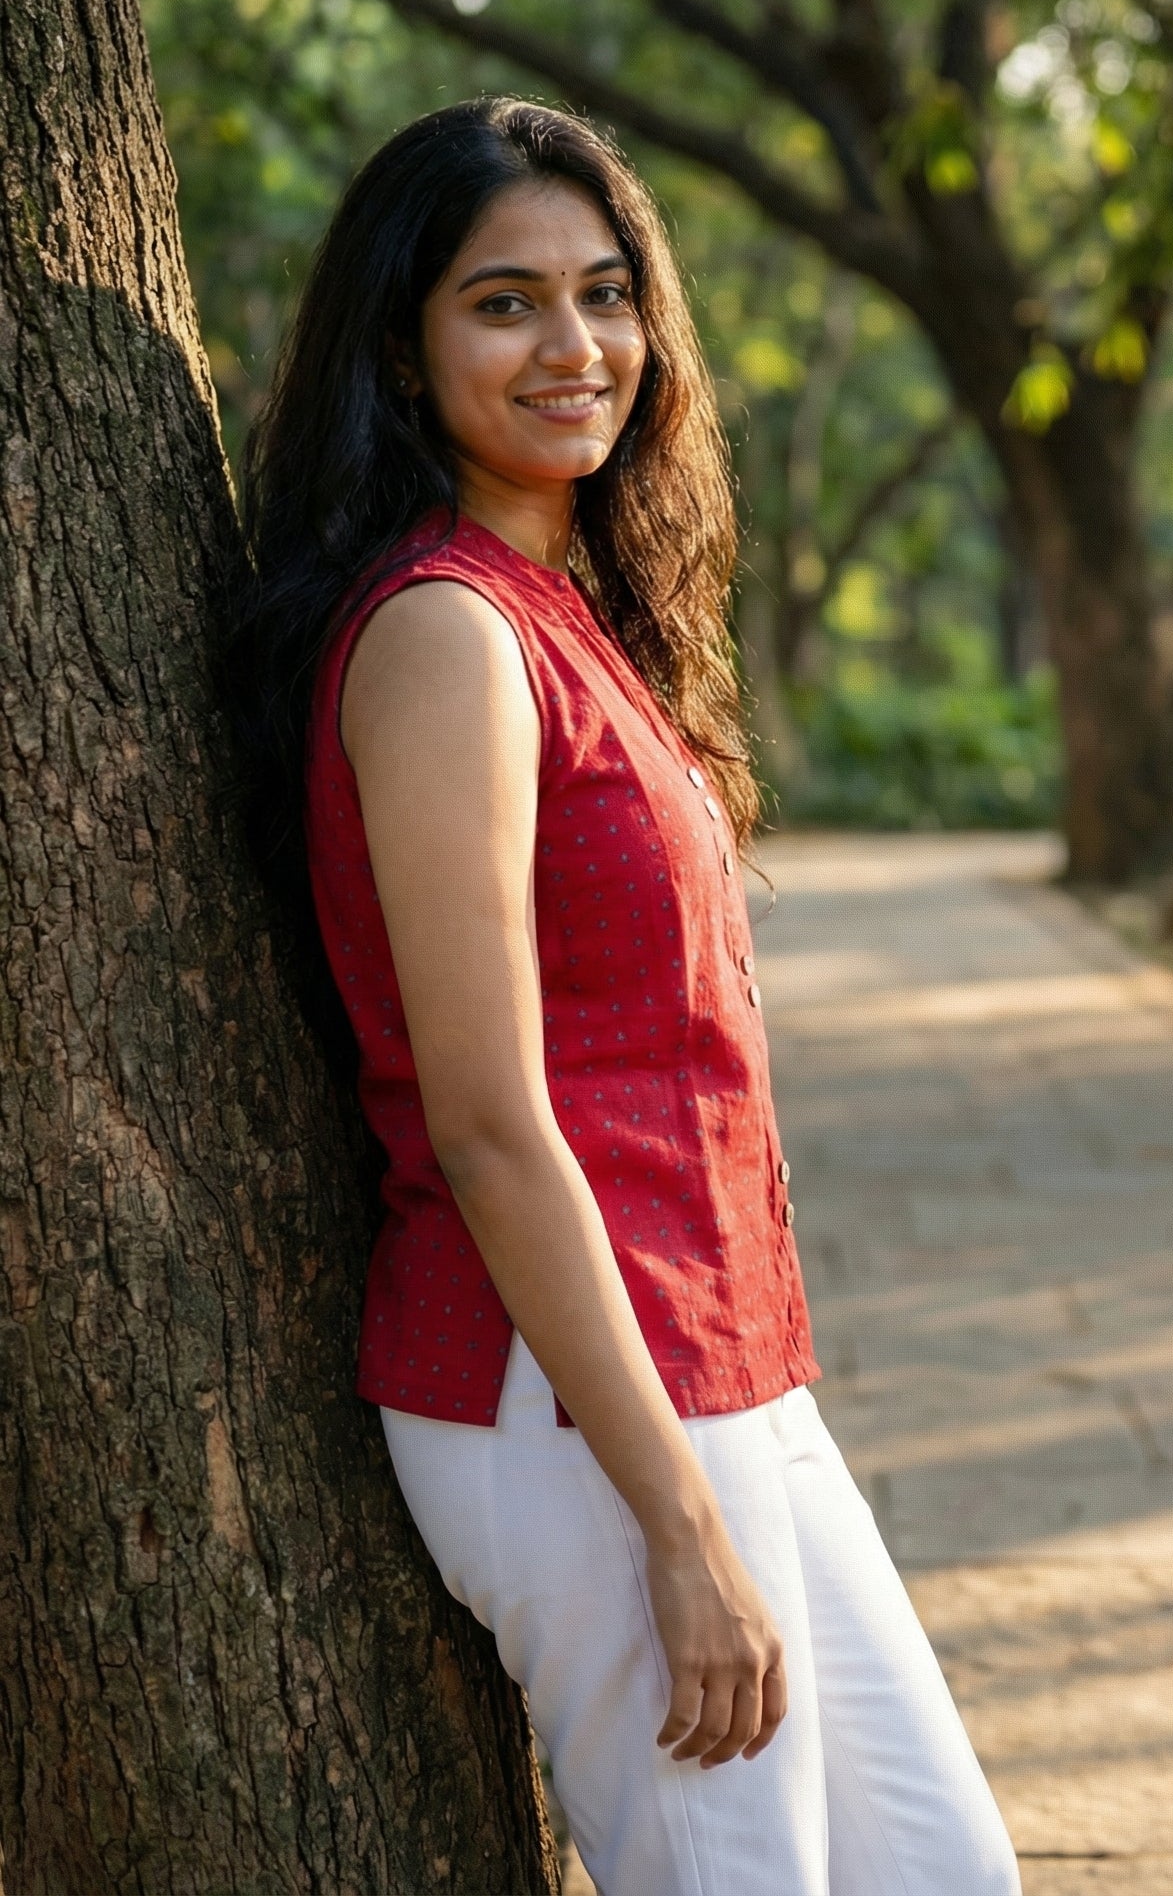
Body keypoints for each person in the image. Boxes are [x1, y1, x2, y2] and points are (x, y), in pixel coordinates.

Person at [238, 97, 1021, 1895]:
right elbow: (492, 1121)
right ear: (402, 345)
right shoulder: (447, 635)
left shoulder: (569, 605)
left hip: (714, 1358)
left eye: (604, 293)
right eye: (503, 303)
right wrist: (673, 1521)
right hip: (571, 1405)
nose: (575, 346)